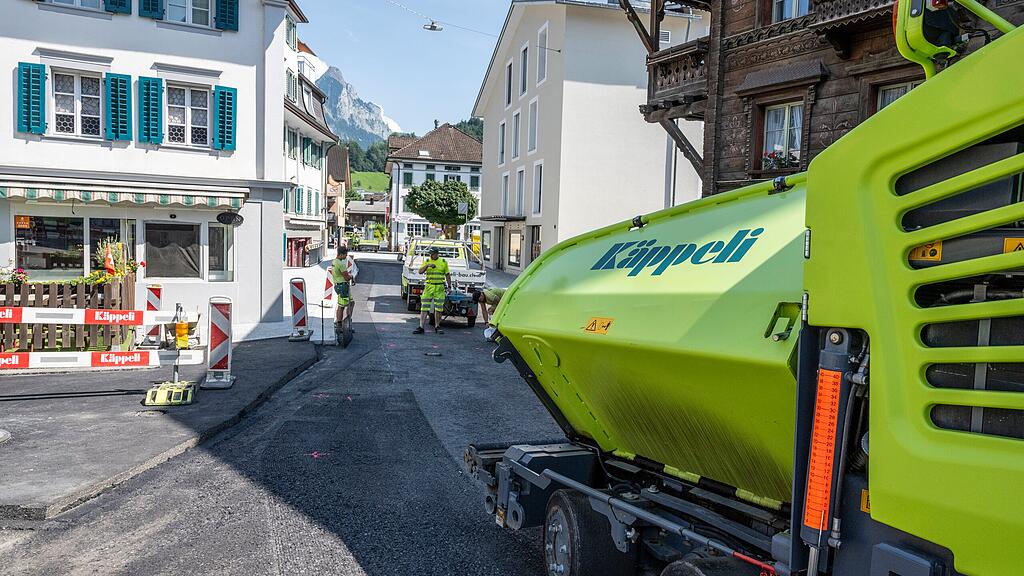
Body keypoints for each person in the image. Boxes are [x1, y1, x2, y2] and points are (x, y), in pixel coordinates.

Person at [414, 247, 451, 334]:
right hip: (429, 287)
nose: (431, 255)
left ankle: (437, 326)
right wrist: (427, 266)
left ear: (437, 254)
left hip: (439, 287)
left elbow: (447, 274)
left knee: (439, 308)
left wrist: (449, 286)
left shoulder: (443, 262)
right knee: (424, 307)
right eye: (430, 254)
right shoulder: (427, 261)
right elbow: (420, 271)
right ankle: (421, 327)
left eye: (432, 254)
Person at [332, 246, 357, 331]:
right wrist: (352, 276)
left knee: (351, 303)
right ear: (341, 254)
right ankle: (341, 324)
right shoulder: (340, 264)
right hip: (342, 287)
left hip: (339, 285)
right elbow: (346, 277)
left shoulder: (334, 262)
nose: (346, 256)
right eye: (345, 254)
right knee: (342, 306)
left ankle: (345, 323)